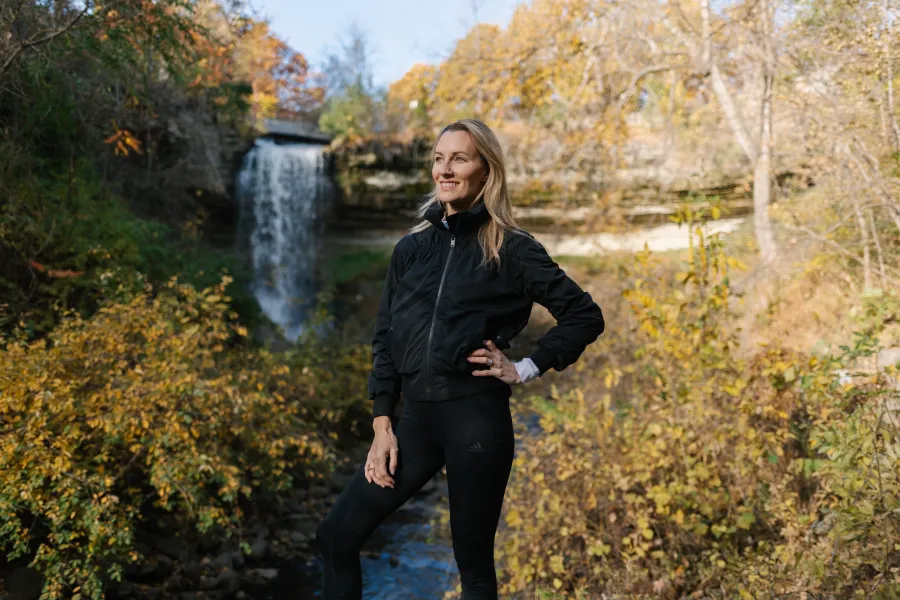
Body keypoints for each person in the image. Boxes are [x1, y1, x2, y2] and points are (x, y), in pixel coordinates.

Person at [315, 119, 605, 599]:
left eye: (459, 159)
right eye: (438, 158)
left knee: (472, 567)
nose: (444, 170)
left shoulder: (512, 248)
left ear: (485, 172)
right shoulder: (411, 249)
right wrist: (382, 424)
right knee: (336, 536)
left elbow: (583, 316)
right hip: (416, 423)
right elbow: (385, 337)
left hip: (477, 422)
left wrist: (524, 368)